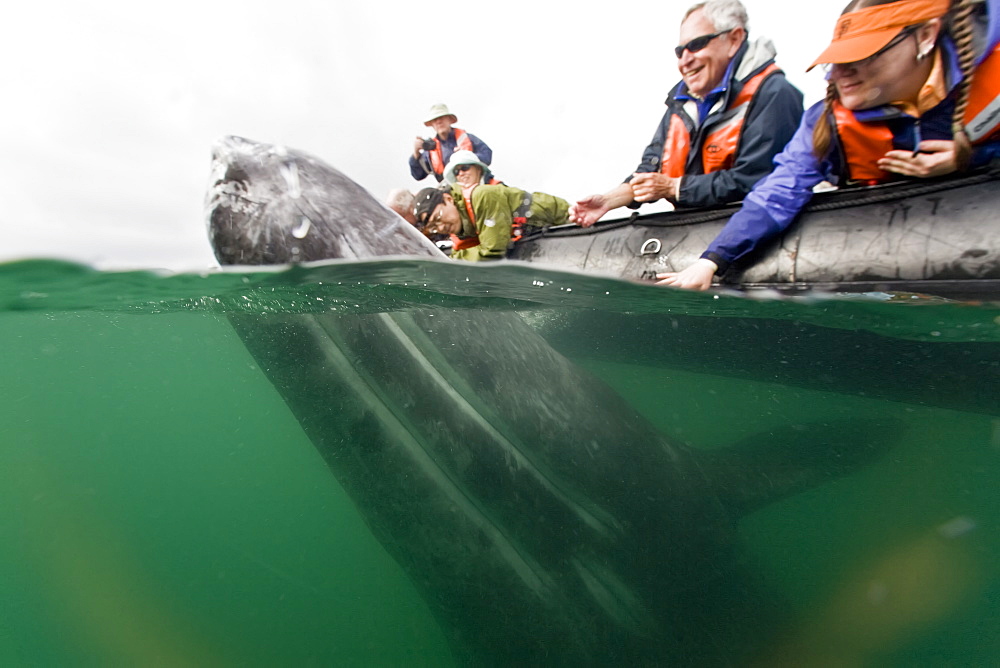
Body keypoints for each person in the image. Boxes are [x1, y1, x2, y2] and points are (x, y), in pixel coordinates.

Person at [658, 0, 1000, 290]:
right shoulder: (824, 121)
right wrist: (711, 261)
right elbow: (778, 191)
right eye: (838, 59)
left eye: (864, 55)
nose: (839, 74)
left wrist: (970, 156)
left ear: (925, 36)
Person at [570, 0, 804, 227]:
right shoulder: (682, 101)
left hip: (749, 230)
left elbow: (755, 179)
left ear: (734, 39)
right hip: (696, 230)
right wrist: (608, 201)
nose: (685, 60)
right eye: (679, 51)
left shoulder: (775, 94)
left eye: (696, 45)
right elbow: (652, 169)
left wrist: (674, 188)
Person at [412, 183, 570, 262]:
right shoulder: (461, 225)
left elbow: (493, 249)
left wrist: (455, 260)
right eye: (433, 227)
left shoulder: (482, 197)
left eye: (438, 218)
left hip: (561, 222)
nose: (441, 227)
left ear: (448, 199)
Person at [409, 103, 494, 183]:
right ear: (432, 125)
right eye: (435, 120)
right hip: (450, 189)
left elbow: (487, 155)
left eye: (441, 118)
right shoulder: (430, 149)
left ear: (449, 120)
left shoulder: (468, 138)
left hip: (476, 184)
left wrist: (467, 156)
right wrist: (416, 154)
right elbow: (418, 175)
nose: (439, 122)